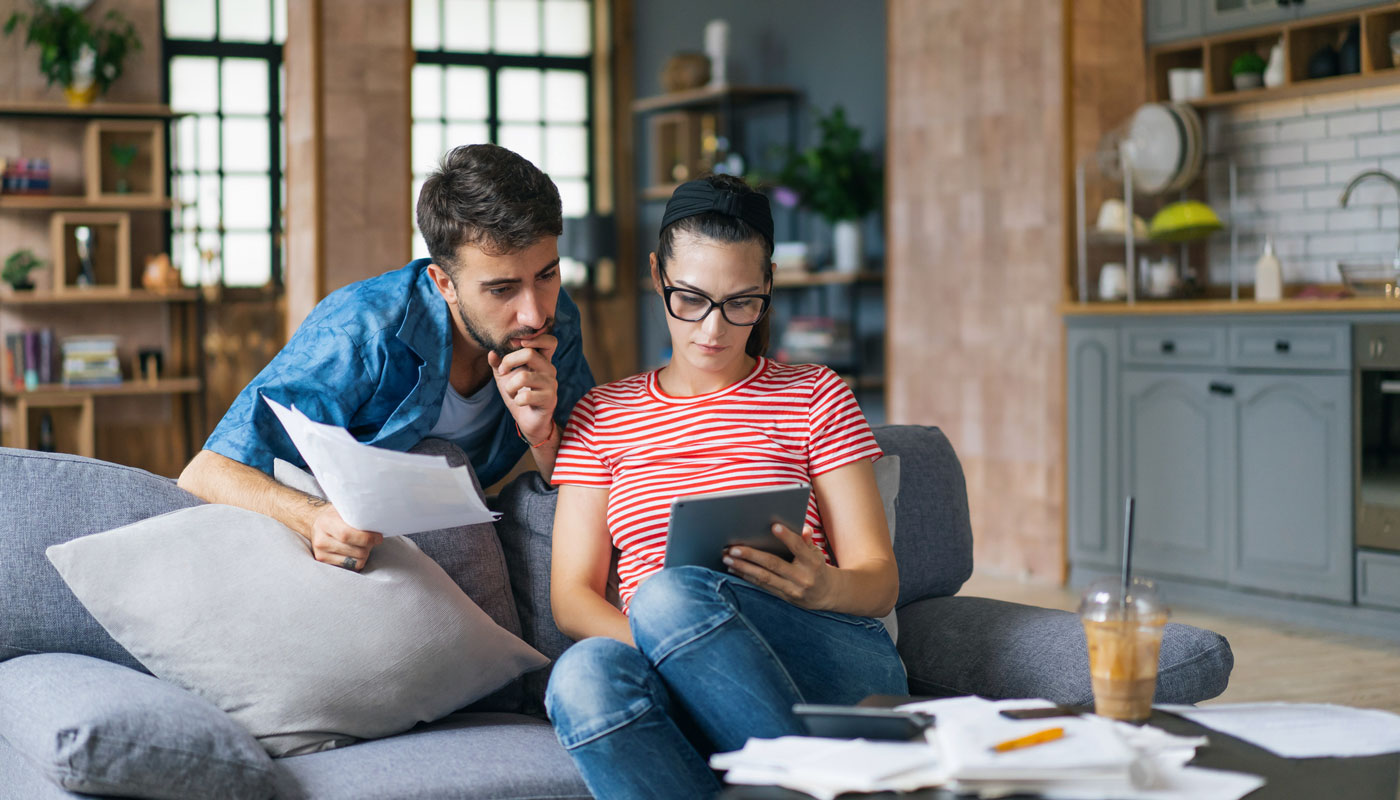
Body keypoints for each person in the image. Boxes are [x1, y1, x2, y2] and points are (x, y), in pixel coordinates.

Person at [545, 174, 905, 799]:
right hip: (665, 652)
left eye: (741, 302)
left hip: (824, 650)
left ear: (767, 288)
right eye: (691, 298)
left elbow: (879, 580)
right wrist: (673, 650)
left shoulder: (815, 395)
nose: (713, 329)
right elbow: (572, 599)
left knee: (665, 596)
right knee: (582, 675)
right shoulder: (602, 414)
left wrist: (825, 586)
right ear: (658, 275)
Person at [178, 144, 594, 572]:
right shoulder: (361, 330)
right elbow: (207, 471)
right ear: (444, 283)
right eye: (501, 289)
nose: (535, 312)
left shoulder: (556, 319)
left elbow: (590, 474)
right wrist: (313, 517)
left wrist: (541, 434)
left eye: (546, 275)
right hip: (339, 541)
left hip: (455, 529)